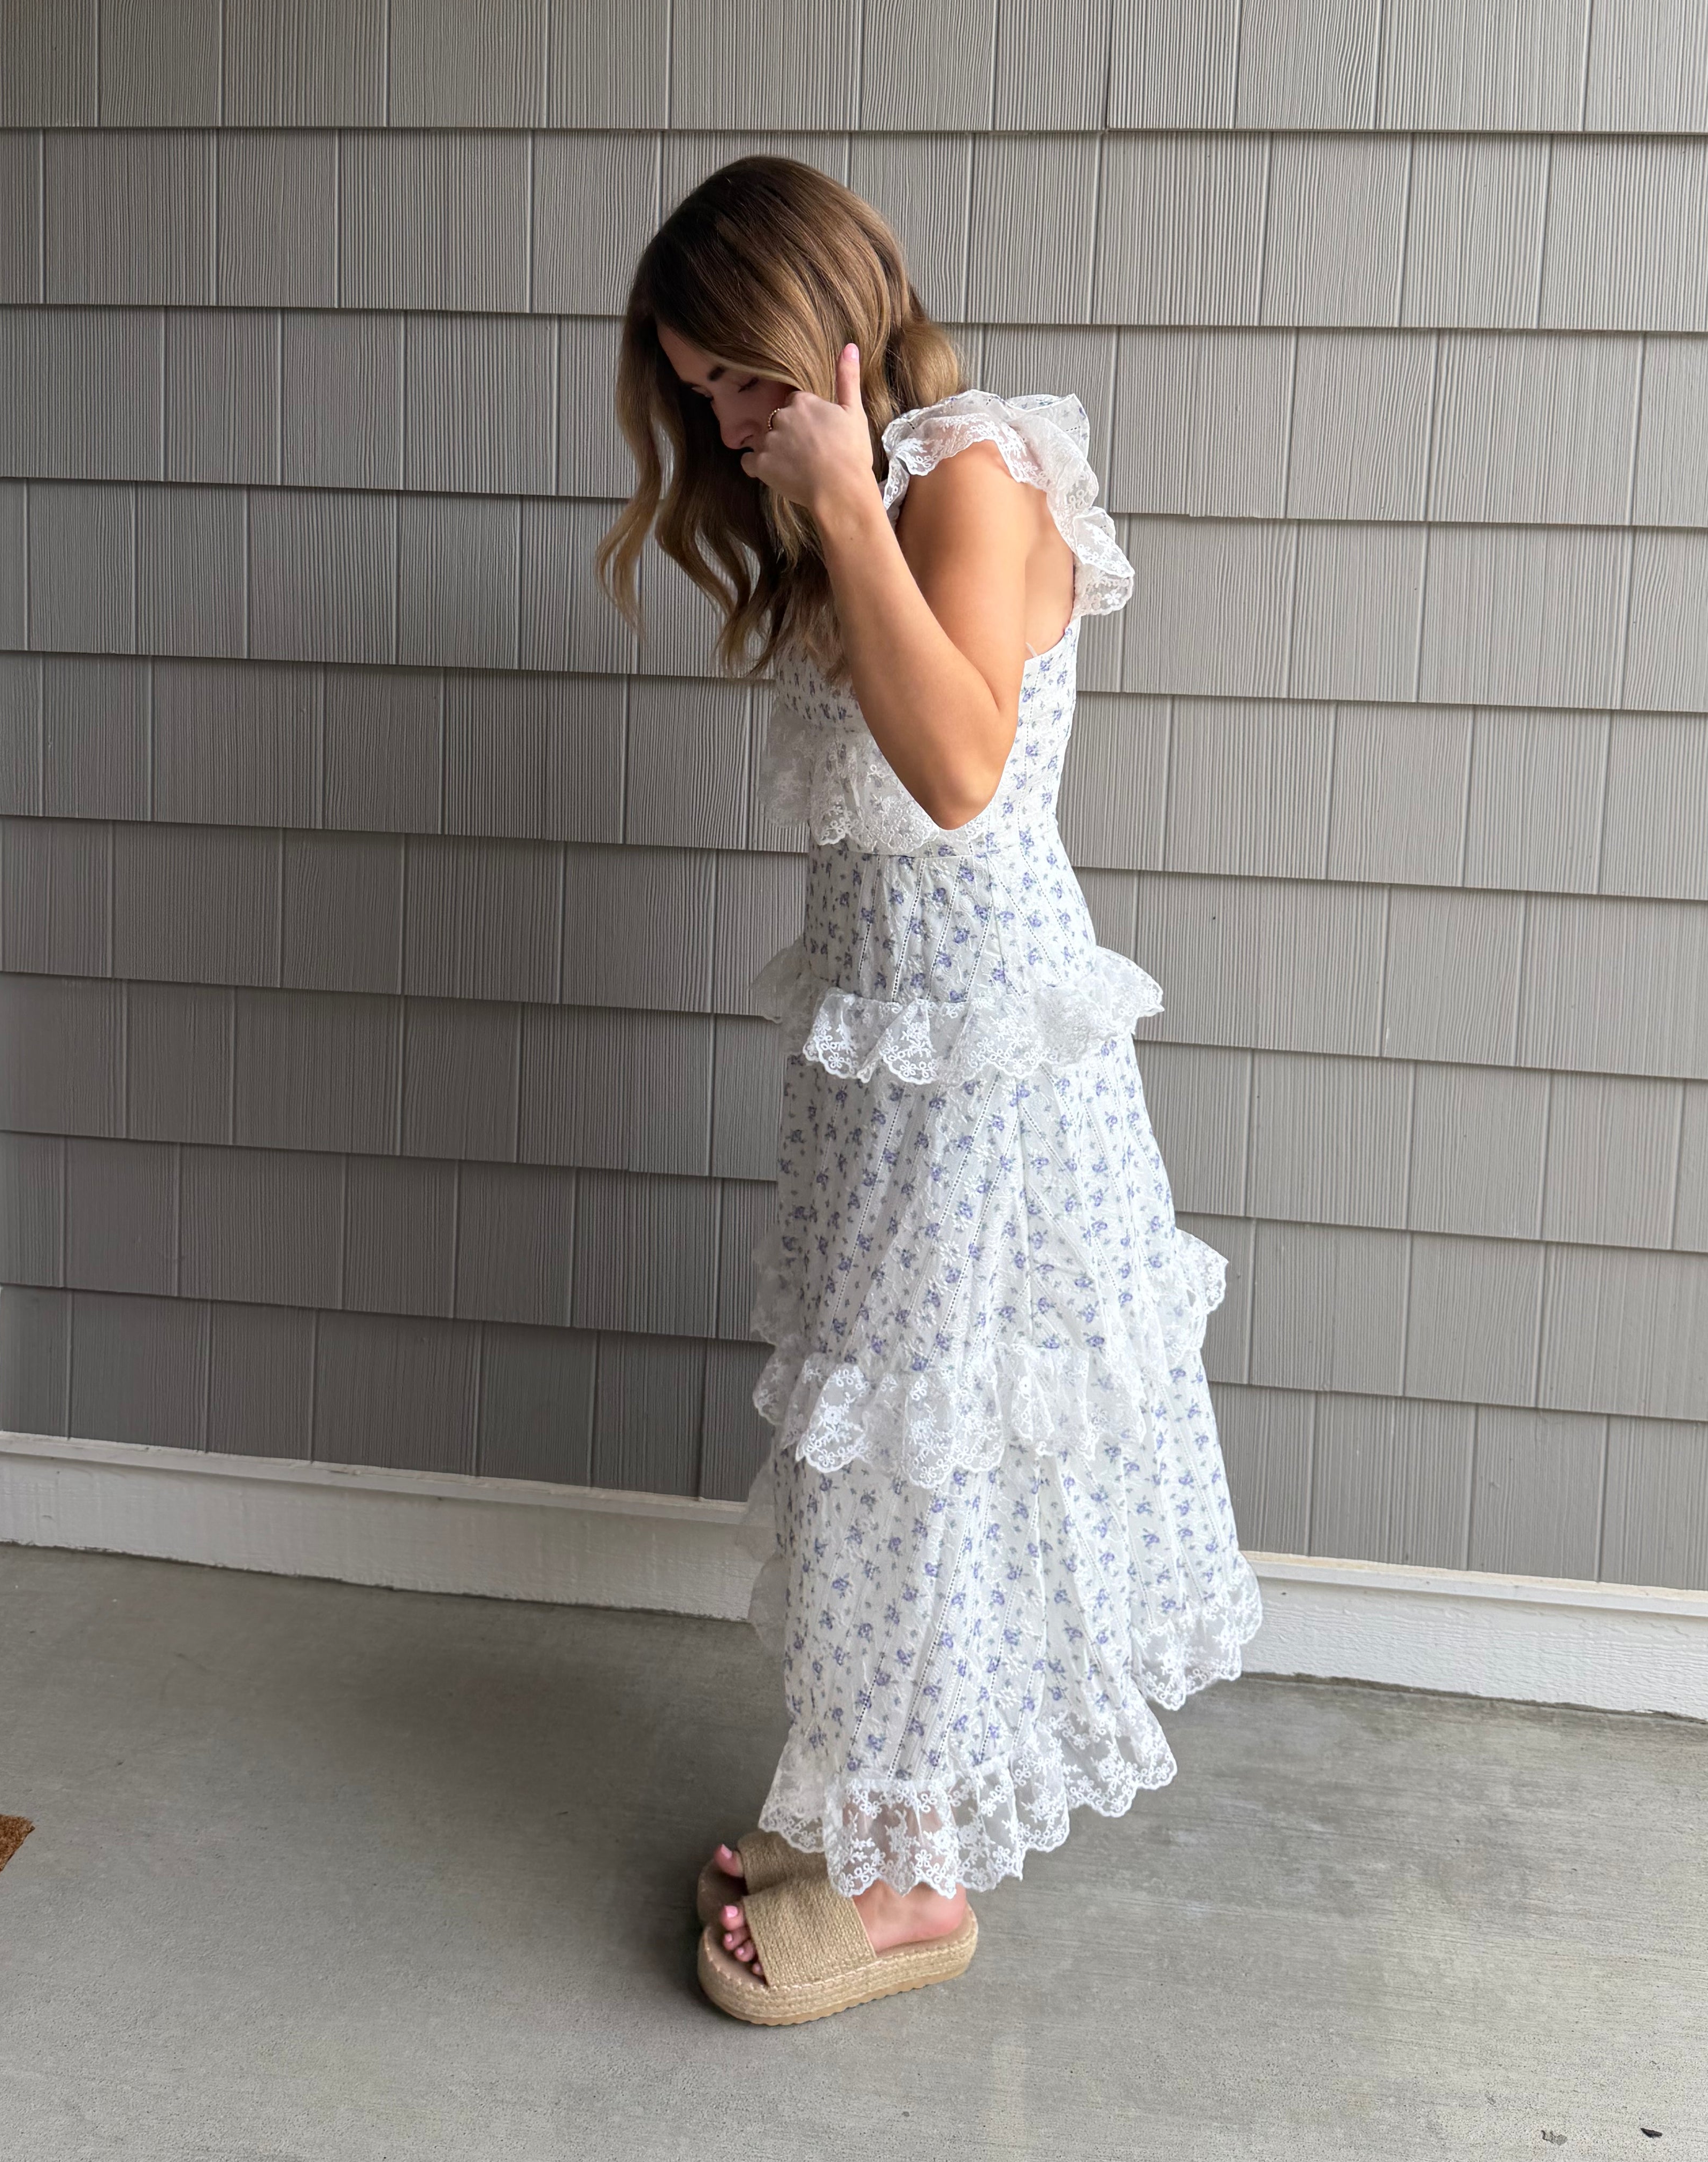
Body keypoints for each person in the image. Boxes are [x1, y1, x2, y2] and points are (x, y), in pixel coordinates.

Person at [600, 156, 1262, 2027]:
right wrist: (822, 499)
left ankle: (913, 1892)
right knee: (877, 1439)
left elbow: (966, 771)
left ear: (840, 323)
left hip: (973, 1045)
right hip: (878, 1039)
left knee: (931, 1442)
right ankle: (878, 1812)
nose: (727, 428)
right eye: (699, 393)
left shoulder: (965, 472)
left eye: (745, 380)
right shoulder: (864, 493)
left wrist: (837, 501)